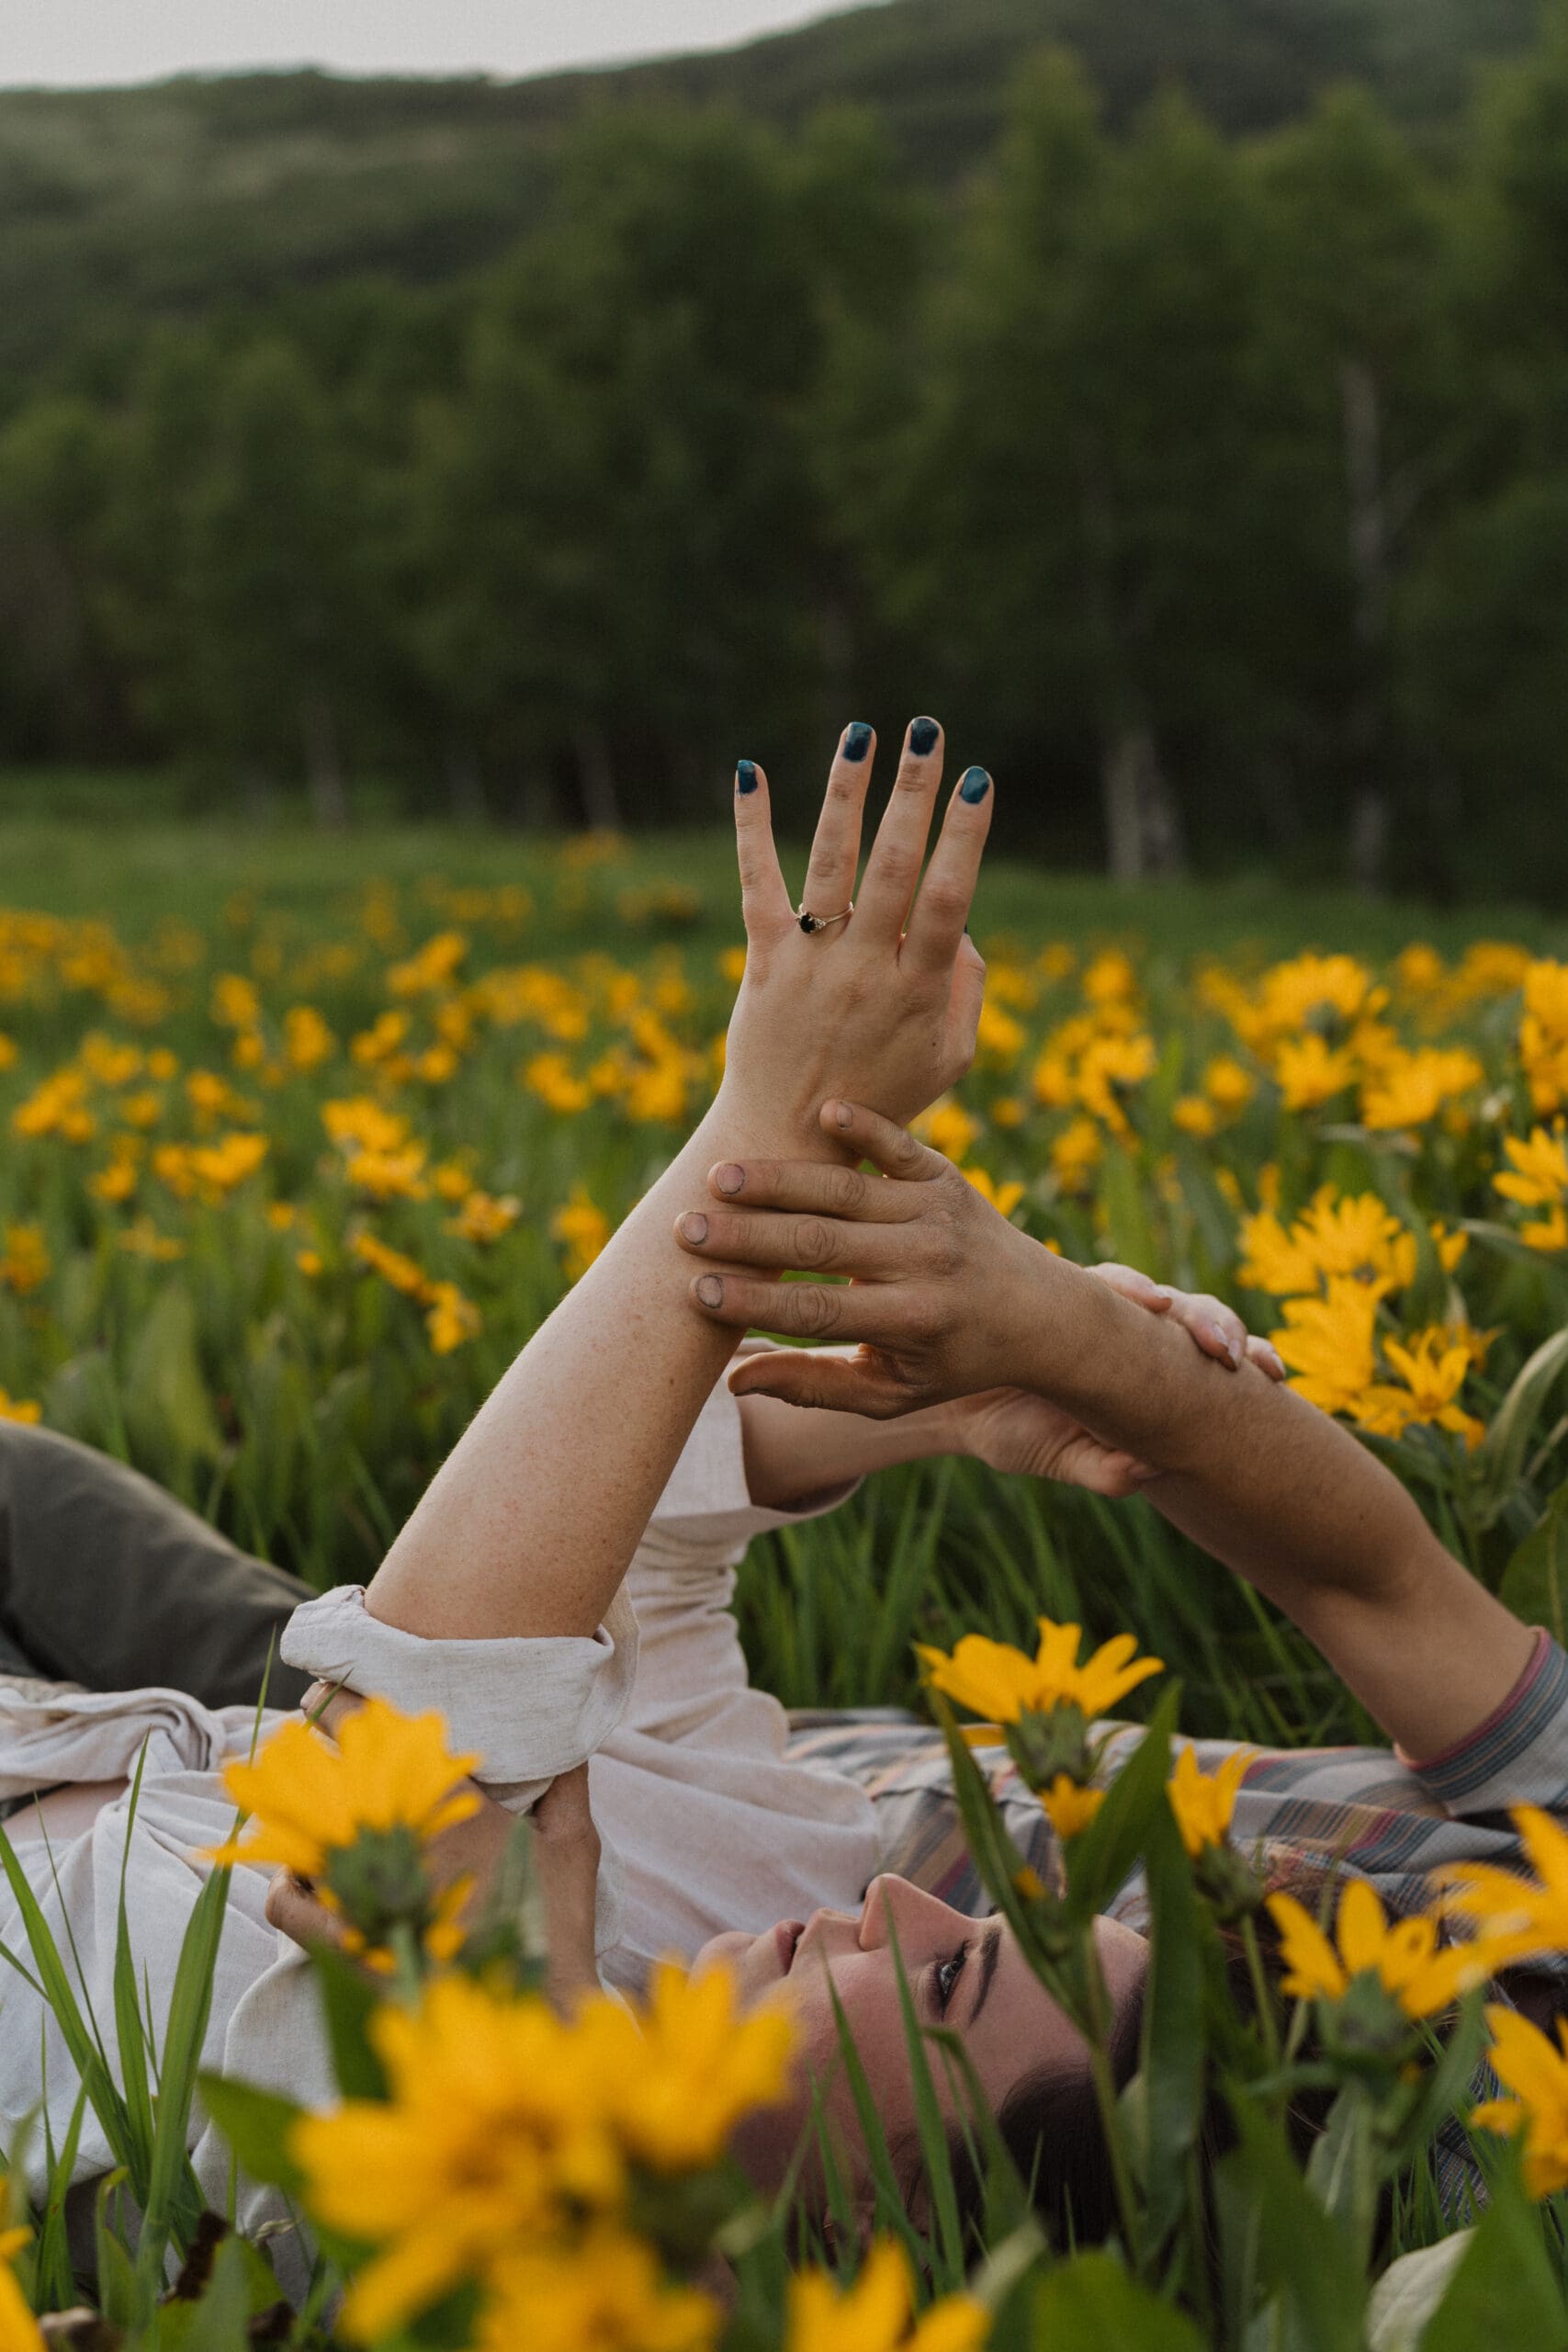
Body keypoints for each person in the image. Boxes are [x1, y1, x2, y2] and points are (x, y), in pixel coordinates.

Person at [0, 721, 1562, 2270]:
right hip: (228, 1744)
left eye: (947, 1976)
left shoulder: (470, 2134)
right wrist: (996, 1380)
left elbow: (412, 1761)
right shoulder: (715, 1907)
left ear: (904, 2229)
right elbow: (615, 1607)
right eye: (973, 1936)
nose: (906, 1903)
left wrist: (771, 1120)